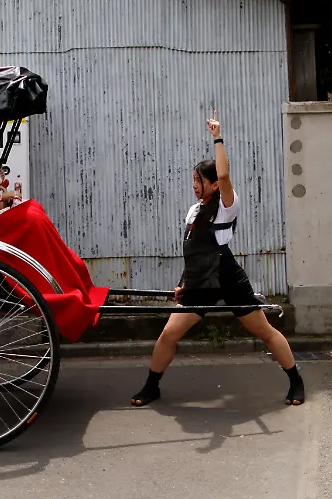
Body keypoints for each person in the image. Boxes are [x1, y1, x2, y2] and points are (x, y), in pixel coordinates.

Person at [131, 112, 306, 408]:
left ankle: (296, 380)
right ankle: (151, 386)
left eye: (200, 181)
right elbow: (191, 252)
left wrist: (217, 137)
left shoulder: (227, 205)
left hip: (226, 274)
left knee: (263, 331)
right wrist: (183, 283)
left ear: (214, 185)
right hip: (200, 279)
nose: (195, 185)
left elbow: (224, 175)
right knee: (168, 334)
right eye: (194, 180)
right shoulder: (193, 211)